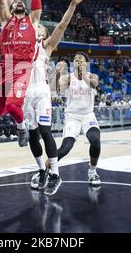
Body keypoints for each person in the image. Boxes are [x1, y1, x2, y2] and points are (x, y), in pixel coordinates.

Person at [20, 0, 89, 196]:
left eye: (40, 26)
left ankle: (55, 174)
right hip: (25, 94)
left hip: (41, 91)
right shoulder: (22, 44)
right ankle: (42, 170)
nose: (37, 27)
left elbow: (61, 25)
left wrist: (73, 5)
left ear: (43, 33)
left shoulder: (46, 46)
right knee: (32, 136)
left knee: (45, 131)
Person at [0, 0, 41, 147]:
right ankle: (18, 121)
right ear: (11, 9)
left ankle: (21, 126)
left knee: (13, 105)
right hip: (6, 65)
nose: (19, 2)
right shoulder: (6, 20)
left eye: (22, 2)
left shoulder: (33, 21)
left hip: (22, 66)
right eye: (15, 2)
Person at [49, 53, 102, 187]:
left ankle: (92, 171)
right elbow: (54, 88)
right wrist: (57, 73)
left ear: (86, 64)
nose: (78, 61)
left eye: (81, 59)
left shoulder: (92, 76)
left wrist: (83, 74)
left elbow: (94, 84)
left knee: (95, 140)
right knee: (65, 148)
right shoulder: (68, 78)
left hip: (88, 115)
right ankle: (44, 170)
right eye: (75, 59)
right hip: (72, 116)